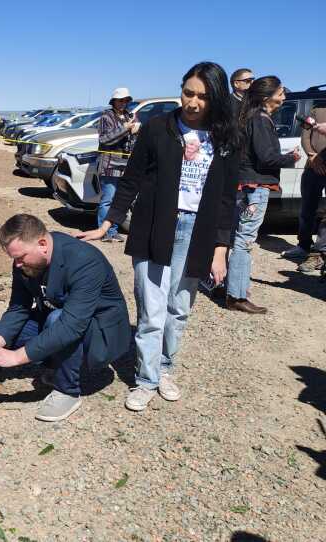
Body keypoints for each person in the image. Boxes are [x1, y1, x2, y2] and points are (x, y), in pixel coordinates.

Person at [78, 62, 239, 412]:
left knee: (178, 309)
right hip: (155, 227)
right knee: (151, 311)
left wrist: (220, 248)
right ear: (181, 89)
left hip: (198, 232)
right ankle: (146, 379)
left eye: (203, 97)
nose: (193, 103)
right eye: (188, 93)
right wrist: (108, 224)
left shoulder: (226, 138)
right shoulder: (156, 129)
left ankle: (166, 368)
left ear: (216, 99)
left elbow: (228, 198)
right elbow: (131, 180)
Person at [0, 214, 131, 422]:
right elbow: (18, 308)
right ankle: (54, 362)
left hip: (99, 332)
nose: (17, 265)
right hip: (56, 317)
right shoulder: (25, 263)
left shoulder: (84, 261)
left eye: (21, 257)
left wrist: (15, 357)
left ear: (42, 244)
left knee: (57, 320)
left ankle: (67, 391)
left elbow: (71, 326)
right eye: (14, 258)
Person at [226, 76, 301, 314]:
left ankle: (232, 287)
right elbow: (267, 157)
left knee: (238, 236)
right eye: (281, 93)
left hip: (247, 184)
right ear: (267, 97)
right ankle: (236, 295)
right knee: (244, 240)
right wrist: (292, 158)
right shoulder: (259, 119)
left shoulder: (251, 117)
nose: (284, 97)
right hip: (255, 186)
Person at [283, 103, 326, 273]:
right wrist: (312, 156)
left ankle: (320, 252)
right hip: (312, 166)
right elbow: (305, 136)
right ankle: (303, 245)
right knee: (307, 209)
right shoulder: (316, 109)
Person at [95, 87, 141, 243]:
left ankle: (113, 231)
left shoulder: (129, 116)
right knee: (108, 199)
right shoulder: (106, 117)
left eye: (126, 100)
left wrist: (135, 132)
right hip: (110, 164)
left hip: (125, 165)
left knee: (118, 200)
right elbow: (104, 139)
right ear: (113, 101)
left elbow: (131, 141)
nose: (123, 103)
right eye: (120, 100)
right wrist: (125, 128)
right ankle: (104, 231)